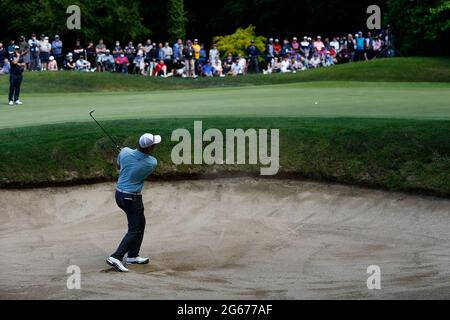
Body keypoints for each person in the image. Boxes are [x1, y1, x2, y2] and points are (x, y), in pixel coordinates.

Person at [106, 133, 161, 272]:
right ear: (150, 147)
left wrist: (125, 156)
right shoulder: (151, 162)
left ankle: (132, 256)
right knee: (135, 229)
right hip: (132, 198)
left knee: (140, 223)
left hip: (119, 195)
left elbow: (119, 167)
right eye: (154, 144)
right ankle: (116, 257)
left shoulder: (124, 151)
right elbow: (138, 163)